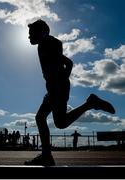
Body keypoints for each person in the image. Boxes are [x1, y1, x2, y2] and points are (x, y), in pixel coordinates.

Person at [24, 19, 115, 166]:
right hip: (54, 88)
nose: (28, 37)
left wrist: (60, 82)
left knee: (59, 123)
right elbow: (67, 62)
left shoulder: (46, 43)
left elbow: (68, 64)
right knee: (41, 118)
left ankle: (90, 103)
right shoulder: (45, 44)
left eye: (31, 33)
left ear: (41, 32)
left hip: (57, 88)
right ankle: (46, 155)